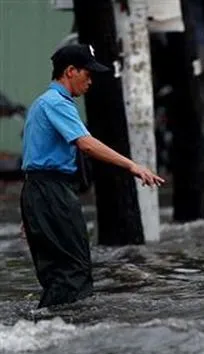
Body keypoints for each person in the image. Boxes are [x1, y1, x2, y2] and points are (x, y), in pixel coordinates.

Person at [20, 44, 164, 308]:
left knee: (59, 271)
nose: (91, 80)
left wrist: (31, 212)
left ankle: (49, 326)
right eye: (87, 73)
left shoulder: (41, 103)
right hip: (51, 193)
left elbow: (32, 160)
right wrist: (132, 166)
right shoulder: (57, 103)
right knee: (73, 271)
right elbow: (86, 143)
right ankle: (62, 330)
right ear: (70, 71)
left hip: (40, 193)